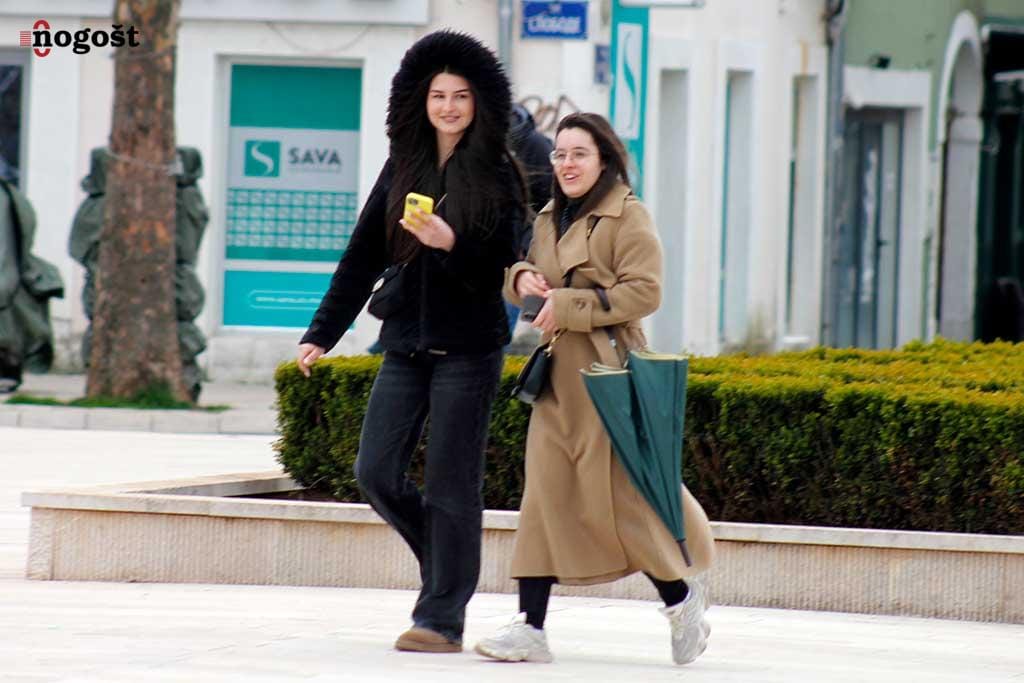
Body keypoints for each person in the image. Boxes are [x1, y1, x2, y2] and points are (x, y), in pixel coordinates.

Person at [295, 31, 526, 653]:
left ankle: (441, 619)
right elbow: (362, 253)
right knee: (374, 471)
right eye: (438, 96)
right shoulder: (403, 165)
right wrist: (322, 332)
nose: (449, 107)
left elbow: (507, 262)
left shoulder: (498, 171)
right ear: (420, 101)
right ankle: (446, 560)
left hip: (470, 348)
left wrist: (452, 244)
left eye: (461, 96)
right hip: (404, 344)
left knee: (453, 486)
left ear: (479, 102)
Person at [474, 113, 716, 665]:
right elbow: (529, 274)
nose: (566, 164)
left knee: (622, 498)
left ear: (603, 158)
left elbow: (645, 292)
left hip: (608, 374)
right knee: (542, 497)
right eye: (559, 154)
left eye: (579, 154)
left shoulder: (629, 216)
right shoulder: (549, 216)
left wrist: (569, 305)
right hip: (556, 378)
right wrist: (521, 279)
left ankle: (680, 602)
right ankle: (530, 627)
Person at [503, 103, 555, 339]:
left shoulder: (535, 146)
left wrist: (527, 246)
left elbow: (551, 204)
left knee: (498, 333)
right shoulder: (478, 142)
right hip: (488, 251)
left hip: (518, 256)